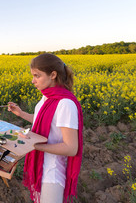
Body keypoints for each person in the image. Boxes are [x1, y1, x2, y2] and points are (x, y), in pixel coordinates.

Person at [7, 53, 83, 203]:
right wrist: (21, 114)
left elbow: (71, 148)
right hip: (41, 165)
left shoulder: (65, 104)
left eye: (37, 76)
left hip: (52, 172)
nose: (32, 80)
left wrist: (34, 145)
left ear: (53, 75)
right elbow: (44, 121)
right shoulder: (46, 97)